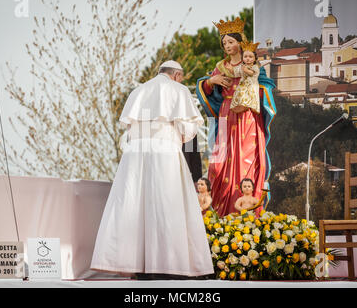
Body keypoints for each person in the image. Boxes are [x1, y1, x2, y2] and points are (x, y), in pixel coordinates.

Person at [90, 60, 214, 279]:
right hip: (164, 152)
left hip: (135, 156)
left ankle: (140, 266)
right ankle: (168, 267)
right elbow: (188, 128)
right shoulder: (179, 90)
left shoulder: (139, 91)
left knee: (134, 208)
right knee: (166, 206)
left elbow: (128, 129)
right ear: (177, 75)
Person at [196, 17, 276, 217]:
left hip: (247, 116)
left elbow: (266, 87)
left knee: (246, 160)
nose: (227, 45)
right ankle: (222, 213)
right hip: (225, 115)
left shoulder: (253, 65)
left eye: (231, 41)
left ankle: (246, 212)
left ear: (240, 42)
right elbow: (206, 89)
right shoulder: (220, 66)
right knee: (219, 164)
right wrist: (211, 81)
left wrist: (250, 87)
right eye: (224, 43)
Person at [227, 41, 261, 115]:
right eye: (245, 57)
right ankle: (238, 105)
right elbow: (236, 73)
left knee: (248, 93)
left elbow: (252, 73)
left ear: (255, 58)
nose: (248, 59)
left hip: (251, 85)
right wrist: (230, 69)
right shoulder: (242, 66)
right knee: (239, 93)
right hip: (242, 85)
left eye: (250, 57)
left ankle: (248, 105)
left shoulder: (255, 67)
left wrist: (246, 70)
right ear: (242, 58)